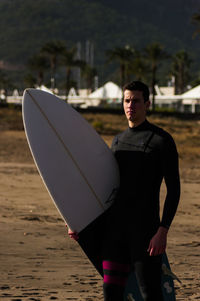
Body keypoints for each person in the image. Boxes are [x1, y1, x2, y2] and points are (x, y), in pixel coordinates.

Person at [68, 81, 180, 301]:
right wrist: (78, 218)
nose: (131, 105)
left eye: (136, 101)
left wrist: (162, 230)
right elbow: (104, 189)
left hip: (145, 233)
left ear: (147, 104)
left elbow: (174, 190)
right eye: (127, 100)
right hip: (115, 234)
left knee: (150, 293)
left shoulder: (161, 141)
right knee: (111, 293)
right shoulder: (117, 141)